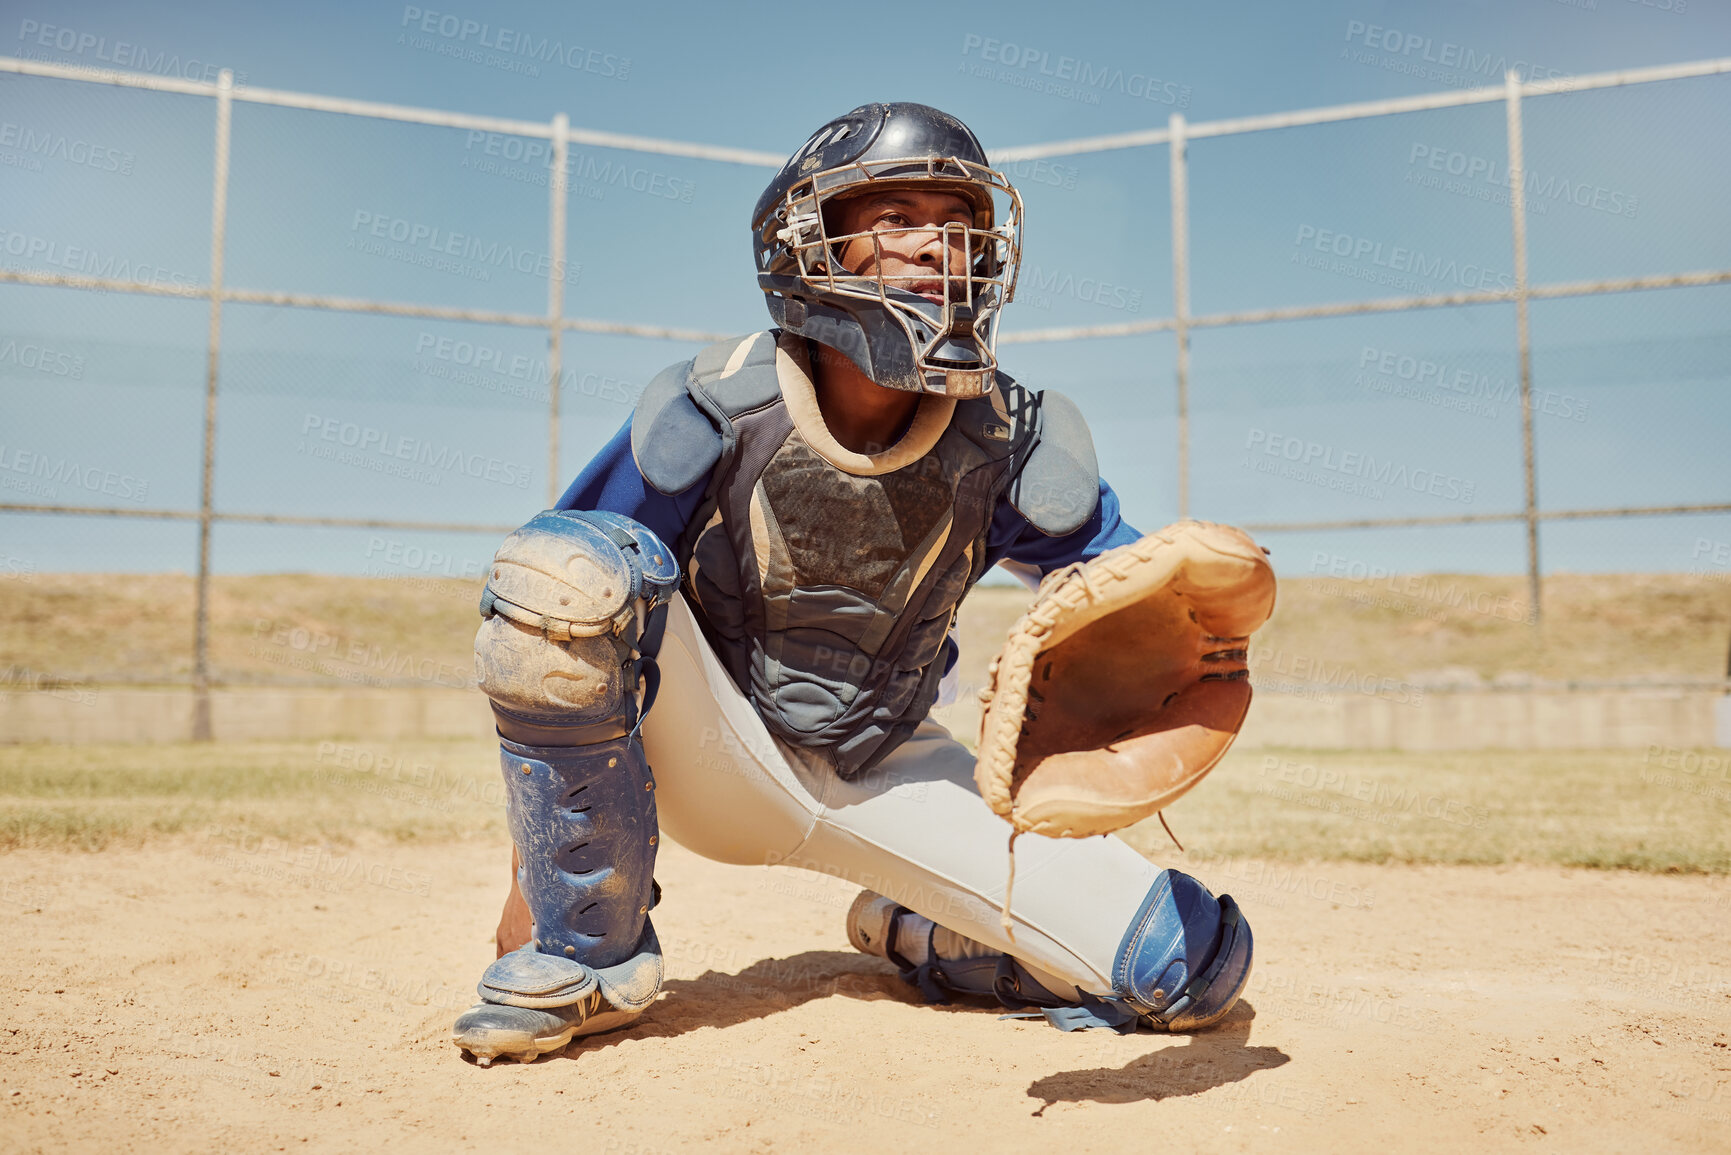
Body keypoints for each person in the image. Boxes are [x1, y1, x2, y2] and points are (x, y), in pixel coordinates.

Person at [450, 103, 1252, 1066]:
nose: (935, 246)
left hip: (886, 758)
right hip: (713, 751)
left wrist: (1165, 643)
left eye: (958, 224)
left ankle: (919, 927)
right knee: (564, 572)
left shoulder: (1013, 437)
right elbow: (554, 609)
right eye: (898, 217)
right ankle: (588, 951)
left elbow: (1124, 594)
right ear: (808, 242)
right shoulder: (715, 405)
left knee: (1190, 962)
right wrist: (531, 893)